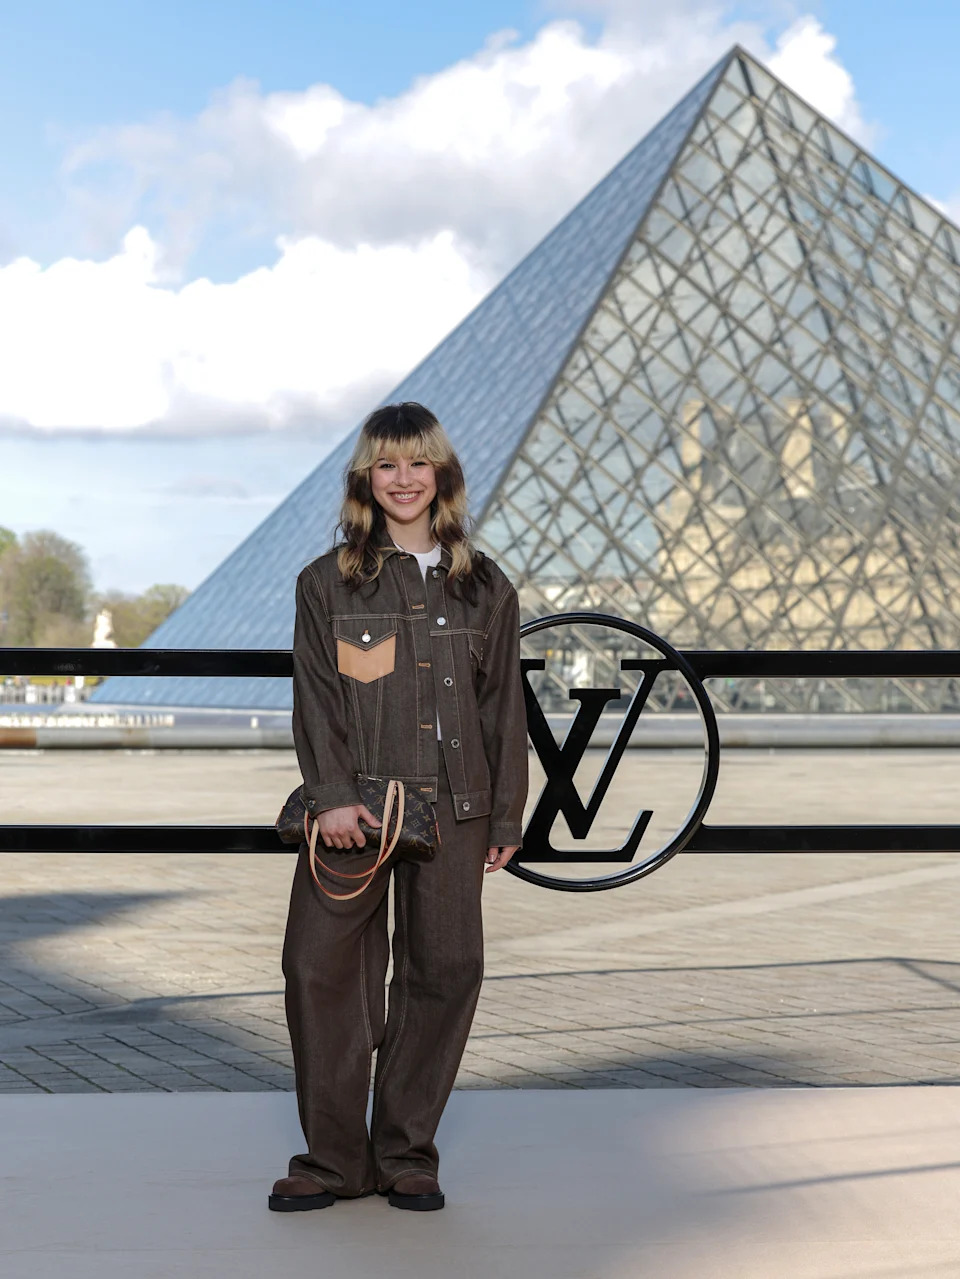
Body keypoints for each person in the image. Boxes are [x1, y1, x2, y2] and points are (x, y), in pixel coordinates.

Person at [269, 401, 529, 1214]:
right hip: (358, 811)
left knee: (444, 971)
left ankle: (406, 1152)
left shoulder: (485, 587)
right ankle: (331, 1160)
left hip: (457, 809)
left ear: (442, 474)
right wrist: (334, 797)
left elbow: (503, 713)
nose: (405, 479)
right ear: (365, 478)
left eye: (419, 463)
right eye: (388, 464)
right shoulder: (327, 583)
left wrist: (505, 819)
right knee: (320, 970)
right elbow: (317, 699)